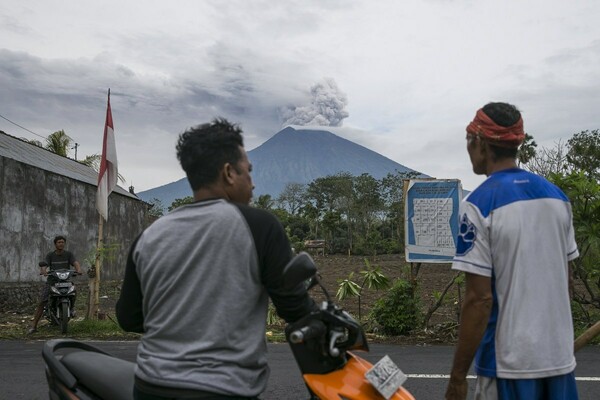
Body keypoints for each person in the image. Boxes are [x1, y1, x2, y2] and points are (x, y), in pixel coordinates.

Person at [116, 118, 315, 400]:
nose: (253, 183)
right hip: (225, 390)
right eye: (249, 171)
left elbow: (129, 318)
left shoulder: (149, 236)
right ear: (229, 173)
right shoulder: (259, 226)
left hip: (150, 386)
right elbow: (294, 308)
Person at [445, 102, 580, 400]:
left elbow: (479, 299)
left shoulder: (479, 203)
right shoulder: (557, 197)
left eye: (469, 140)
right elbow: (566, 282)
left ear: (480, 143)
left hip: (507, 364)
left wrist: (457, 378)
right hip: (559, 360)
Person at [29, 235, 82, 334]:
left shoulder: (68, 254)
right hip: (52, 281)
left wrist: (78, 270)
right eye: (59, 242)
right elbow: (44, 264)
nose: (61, 244)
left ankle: (72, 308)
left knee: (74, 290)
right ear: (55, 244)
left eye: (62, 242)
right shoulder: (50, 255)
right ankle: (34, 326)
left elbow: (75, 263)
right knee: (42, 301)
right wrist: (44, 271)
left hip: (65, 281)